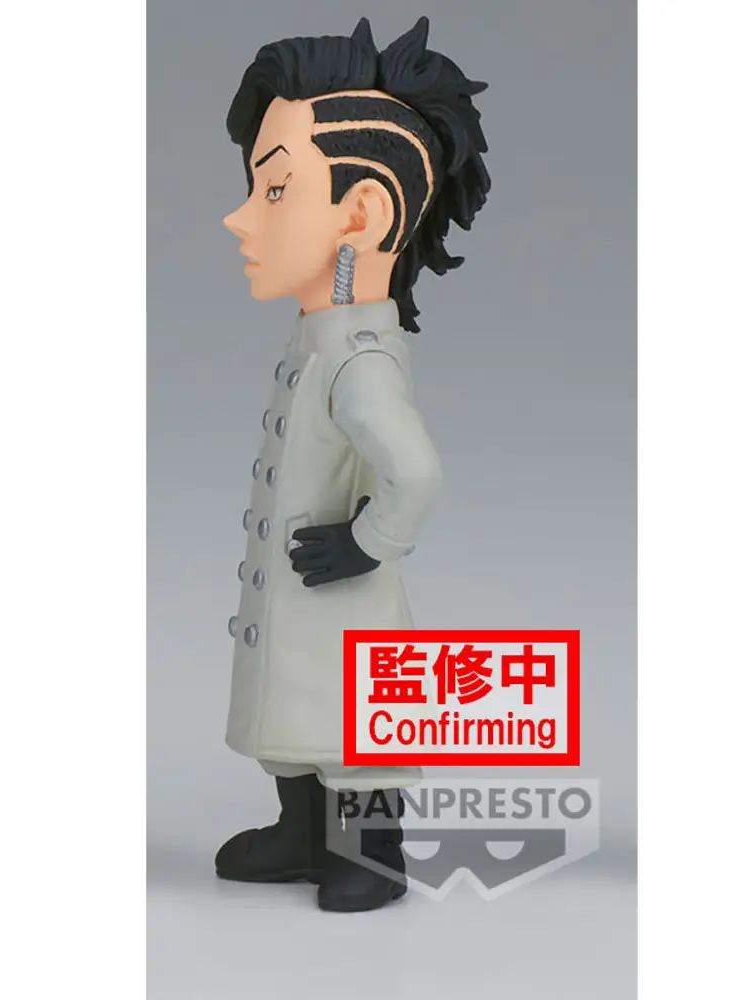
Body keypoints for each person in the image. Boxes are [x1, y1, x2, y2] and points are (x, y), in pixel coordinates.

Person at [214, 15, 491, 912]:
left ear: (361, 214)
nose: (242, 216)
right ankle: (303, 832)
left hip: (343, 597)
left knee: (351, 726)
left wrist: (369, 544)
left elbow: (416, 470)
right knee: (299, 717)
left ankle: (373, 852)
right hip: (306, 602)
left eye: (275, 190)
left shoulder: (359, 360)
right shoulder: (324, 338)